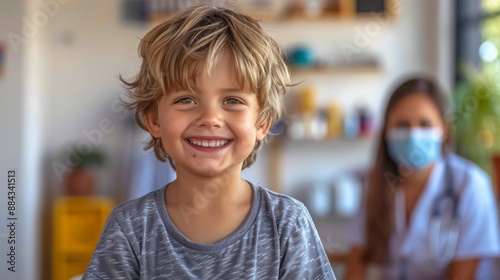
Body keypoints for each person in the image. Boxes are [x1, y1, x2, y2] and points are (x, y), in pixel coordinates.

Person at [82, 3, 335, 279]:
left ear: (262, 122)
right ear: (154, 119)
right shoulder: (129, 229)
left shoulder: (288, 224)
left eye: (233, 101)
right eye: (186, 99)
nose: (210, 118)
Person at [345, 77, 500, 280]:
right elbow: (357, 264)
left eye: (425, 124)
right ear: (386, 130)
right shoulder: (377, 183)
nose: (413, 134)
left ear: (444, 129)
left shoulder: (470, 184)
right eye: (402, 124)